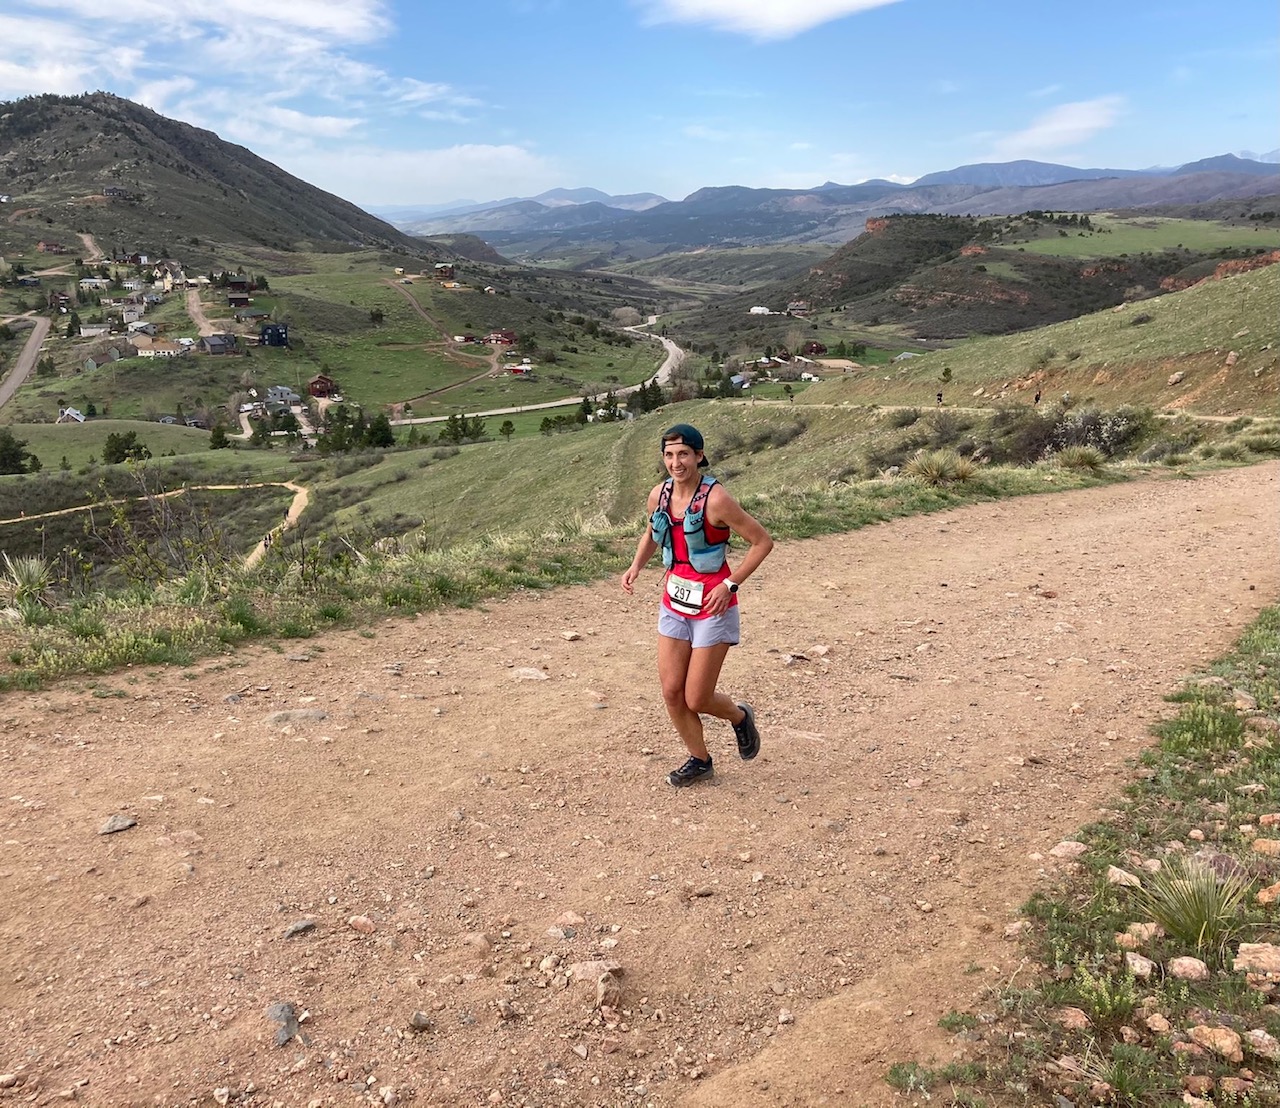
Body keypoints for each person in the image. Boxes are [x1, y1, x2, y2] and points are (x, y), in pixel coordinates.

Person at [622, 424, 774, 786]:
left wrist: (730, 584)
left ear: (699, 456)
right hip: (674, 602)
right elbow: (652, 533)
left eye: (684, 454)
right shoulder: (659, 495)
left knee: (697, 697)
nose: (676, 463)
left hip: (713, 607)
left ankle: (739, 717)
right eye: (669, 455)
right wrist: (636, 565)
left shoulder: (716, 499)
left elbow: (762, 542)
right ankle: (700, 759)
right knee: (672, 692)